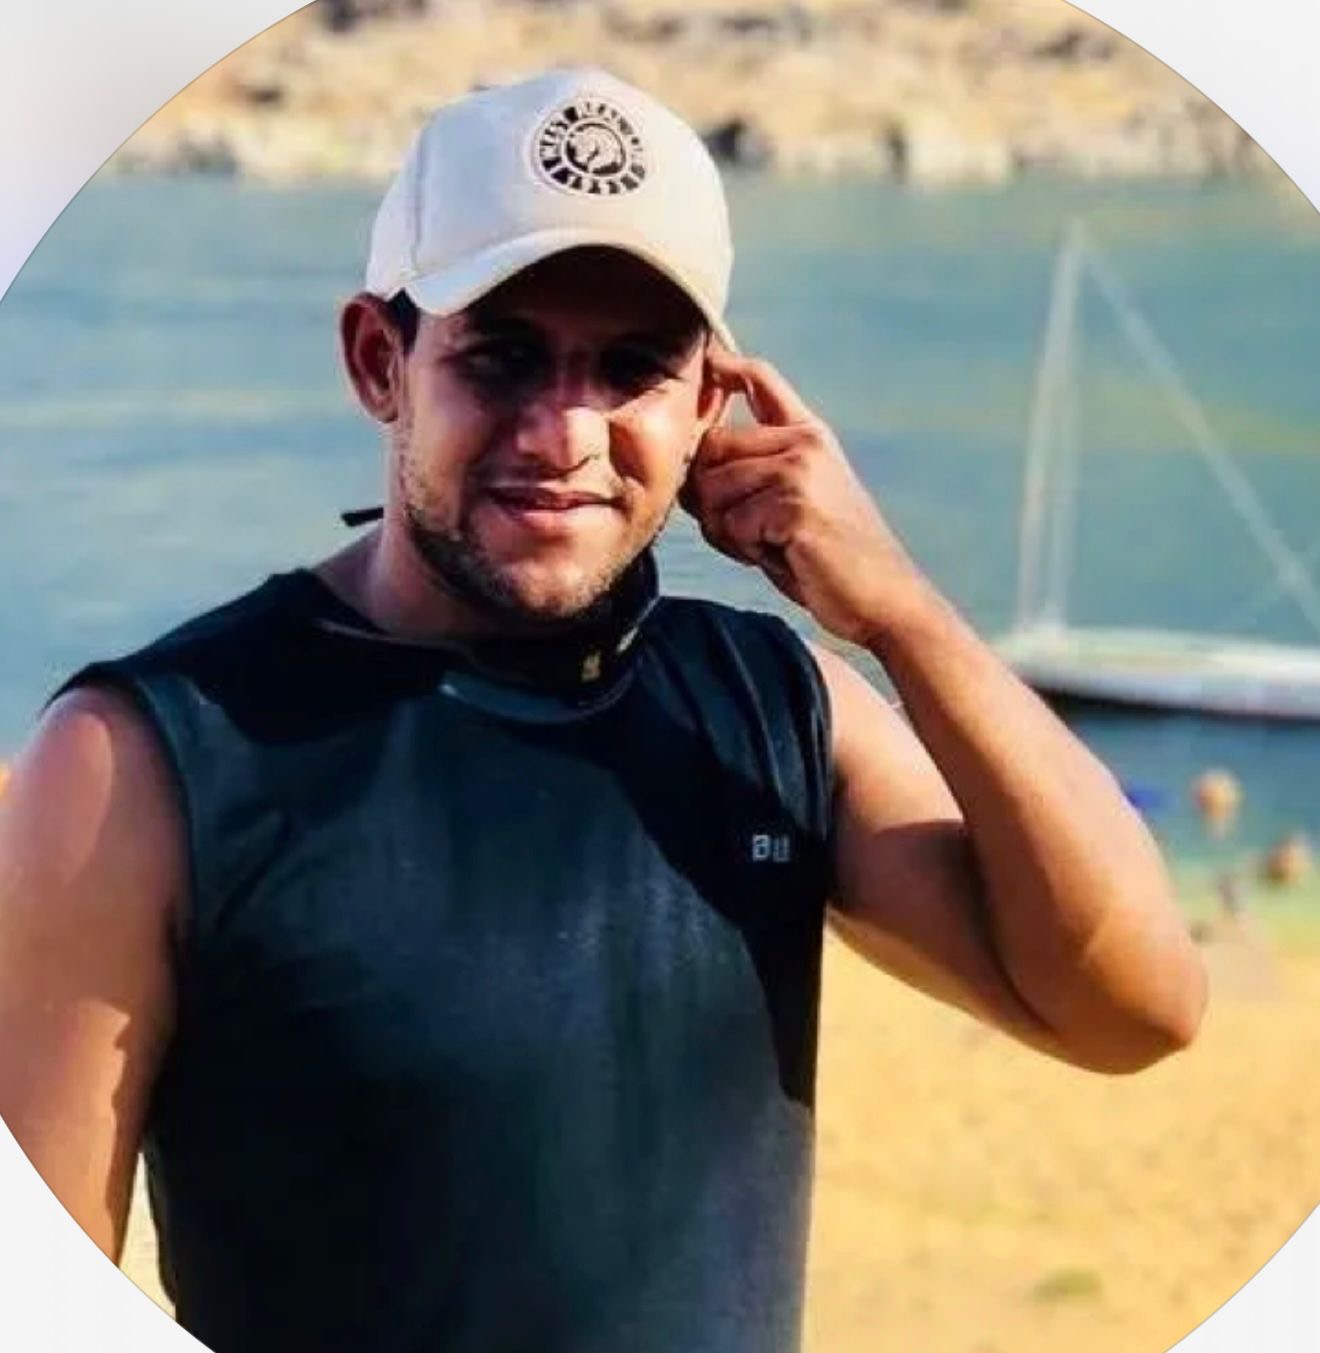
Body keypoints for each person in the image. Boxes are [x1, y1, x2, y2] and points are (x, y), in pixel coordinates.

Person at [0, 67, 1205, 1353]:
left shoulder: (772, 704)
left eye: (631, 370)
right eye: (503, 358)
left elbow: (1132, 1008)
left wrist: (900, 613)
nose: (565, 432)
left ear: (708, 405)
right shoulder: (140, 765)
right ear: (379, 361)